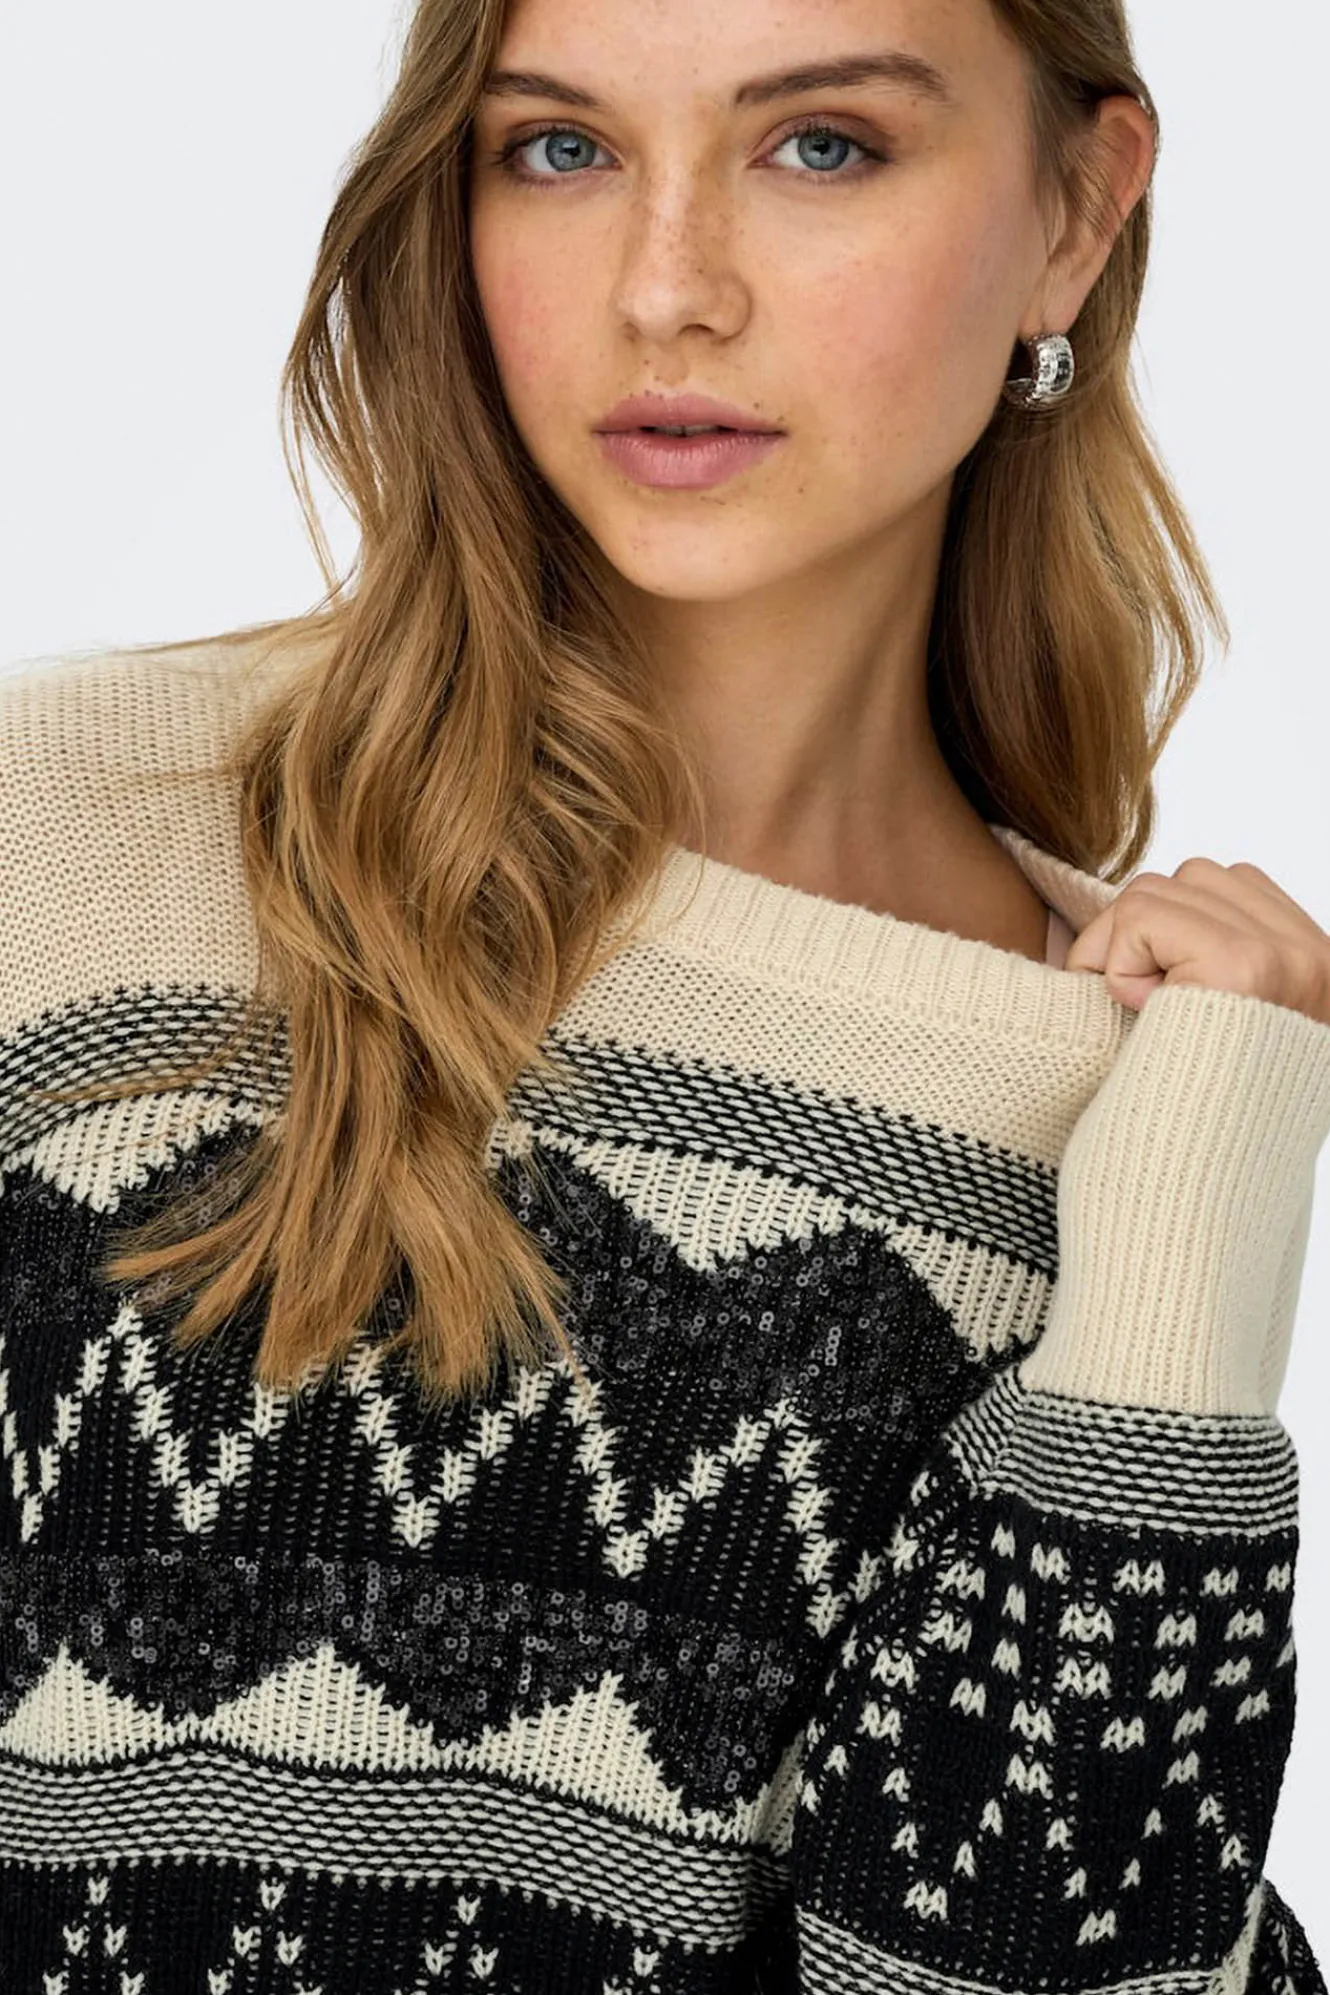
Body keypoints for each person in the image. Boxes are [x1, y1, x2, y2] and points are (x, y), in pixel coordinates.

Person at [2, 0, 1328, 1987]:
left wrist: (1173, 1324)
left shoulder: (1116, 1107)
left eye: (819, 147)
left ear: (1074, 213)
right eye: (559, 150)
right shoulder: (71, 842)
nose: (665, 288)